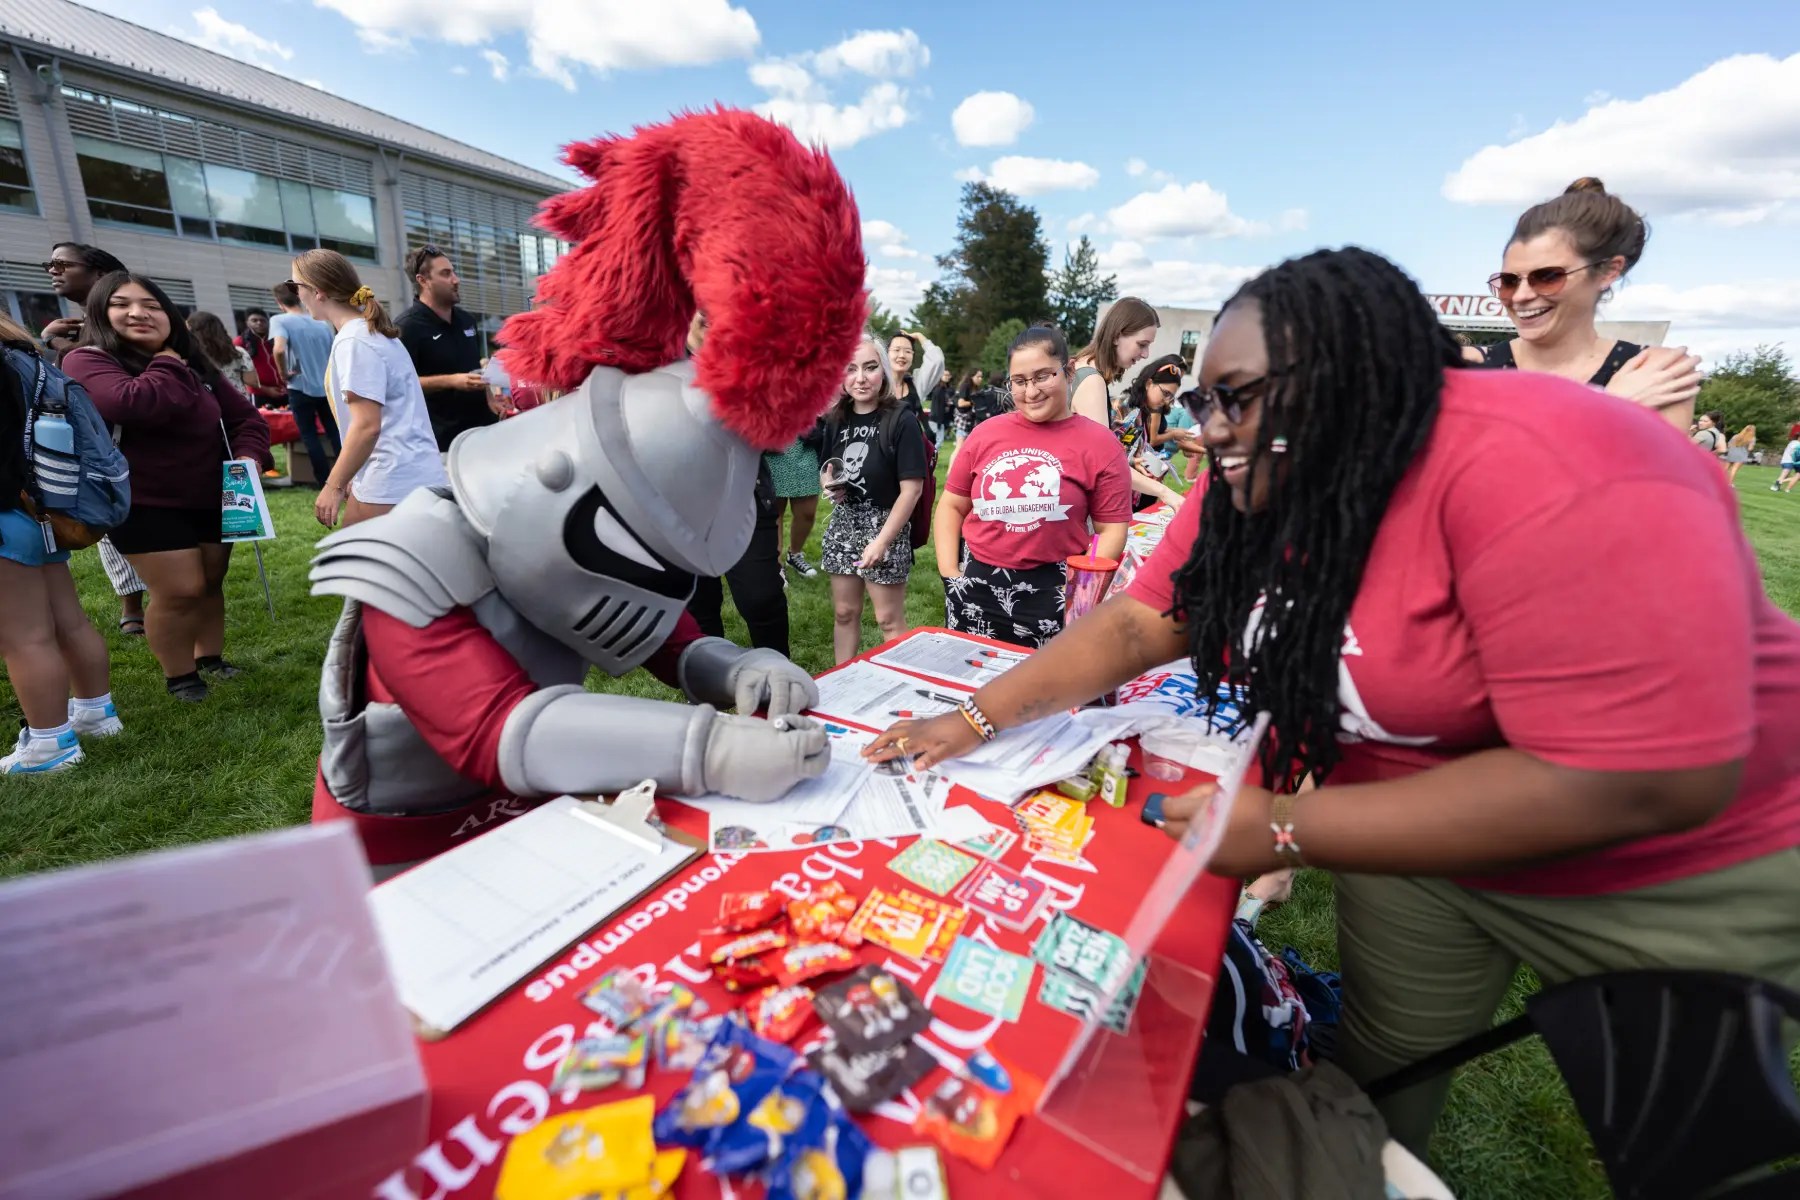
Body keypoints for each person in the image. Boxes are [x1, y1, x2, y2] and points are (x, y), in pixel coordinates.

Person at [865, 246, 1800, 1159]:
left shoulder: (1562, 460)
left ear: (1359, 386)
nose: (1211, 431)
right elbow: (1141, 625)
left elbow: (1643, 777)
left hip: (1677, 862)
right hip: (1415, 833)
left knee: (1699, 1138)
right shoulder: (1250, 477)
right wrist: (974, 718)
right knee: (1382, 1077)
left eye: (1240, 401)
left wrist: (1282, 831)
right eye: (1203, 400)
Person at [307, 109, 860, 874]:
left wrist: (732, 668)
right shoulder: (416, 559)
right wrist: (710, 751)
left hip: (536, 824)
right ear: (558, 480)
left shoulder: (567, 548)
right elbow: (500, 730)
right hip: (405, 854)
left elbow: (657, 629)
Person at [63, 273, 271, 702]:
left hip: (214, 493)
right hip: (143, 500)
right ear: (101, 312)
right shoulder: (87, 360)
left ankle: (210, 657)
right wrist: (170, 362)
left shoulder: (196, 363)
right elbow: (131, 403)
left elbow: (245, 420)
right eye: (121, 304)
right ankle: (181, 676)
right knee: (180, 589)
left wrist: (248, 458)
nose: (139, 312)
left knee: (212, 580)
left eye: (152, 305)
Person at [937, 326, 1130, 647]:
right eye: (1020, 381)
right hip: (974, 585)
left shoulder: (1101, 444)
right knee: (972, 686)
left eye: (1043, 376)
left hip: (1053, 591)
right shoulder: (985, 434)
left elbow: (1111, 530)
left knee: (1042, 691)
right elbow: (952, 505)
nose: (1031, 391)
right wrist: (949, 571)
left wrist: (1079, 590)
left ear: (1068, 372)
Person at [0, 316, 122, 774]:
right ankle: (95, 712)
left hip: (7, 512)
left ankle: (50, 745)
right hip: (41, 507)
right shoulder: (23, 356)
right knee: (68, 620)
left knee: (23, 638)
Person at [1477, 178, 1702, 426]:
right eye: (1509, 281)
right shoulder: (1466, 366)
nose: (1520, 296)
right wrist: (1609, 405)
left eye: (1547, 277)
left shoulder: (1654, 371)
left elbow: (1658, 466)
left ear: (1609, 271)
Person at [290, 249, 447, 529]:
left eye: (296, 286)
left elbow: (366, 426)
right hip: (402, 473)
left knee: (357, 568)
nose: (295, 295)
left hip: (393, 477)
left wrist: (333, 486)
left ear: (318, 291)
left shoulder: (355, 341)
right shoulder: (366, 333)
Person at [38, 242, 146, 637]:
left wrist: (57, 345)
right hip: (97, 440)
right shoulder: (71, 328)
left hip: (138, 434)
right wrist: (48, 340)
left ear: (99, 274)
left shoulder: (131, 317)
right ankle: (131, 603)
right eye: (49, 263)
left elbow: (112, 370)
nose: (53, 270)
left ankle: (164, 598)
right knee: (105, 512)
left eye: (62, 263)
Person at [683, 311, 790, 653]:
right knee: (698, 607)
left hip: (745, 500)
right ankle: (708, 687)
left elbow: (777, 439)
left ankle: (778, 679)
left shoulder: (750, 366)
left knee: (761, 598)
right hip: (684, 509)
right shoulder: (659, 369)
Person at [819, 330, 927, 664]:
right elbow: (827, 467)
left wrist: (882, 541)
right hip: (844, 523)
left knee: (888, 620)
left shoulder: (901, 418)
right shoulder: (837, 418)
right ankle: (843, 683)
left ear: (883, 371)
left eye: (870, 367)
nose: (860, 378)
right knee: (844, 612)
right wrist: (829, 483)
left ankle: (900, 686)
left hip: (886, 524)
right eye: (850, 369)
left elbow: (912, 490)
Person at [1073, 297, 1184, 509]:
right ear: (1117, 335)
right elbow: (1104, 462)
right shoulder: (1091, 381)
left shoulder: (1081, 369)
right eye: (1142, 345)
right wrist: (1165, 493)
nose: (1145, 354)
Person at [396, 245, 500, 451]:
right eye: (446, 274)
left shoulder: (467, 320)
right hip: (442, 442)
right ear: (423, 281)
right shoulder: (405, 327)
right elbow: (400, 384)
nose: (456, 279)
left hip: (485, 432)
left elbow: (474, 368)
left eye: (453, 272)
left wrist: (491, 399)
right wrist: (452, 381)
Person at [269, 280, 343, 485]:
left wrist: (283, 373)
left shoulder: (280, 320)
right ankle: (347, 477)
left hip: (300, 386)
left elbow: (279, 349)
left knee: (309, 436)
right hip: (326, 387)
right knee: (335, 433)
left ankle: (323, 480)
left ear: (279, 302)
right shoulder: (321, 324)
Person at [185, 311, 259, 397]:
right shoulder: (238, 352)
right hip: (237, 400)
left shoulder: (191, 354)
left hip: (209, 401)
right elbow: (252, 381)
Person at [887, 329, 944, 434]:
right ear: (886, 354)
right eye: (896, 350)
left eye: (908, 351)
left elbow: (937, 361)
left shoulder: (916, 385)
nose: (902, 355)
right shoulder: (876, 385)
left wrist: (919, 336)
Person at [233, 309, 287, 405]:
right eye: (254, 320)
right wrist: (265, 389)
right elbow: (238, 372)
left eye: (262, 320)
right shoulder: (240, 342)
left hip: (283, 391)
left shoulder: (276, 340)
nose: (259, 323)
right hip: (258, 393)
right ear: (247, 323)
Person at [928, 367, 954, 443]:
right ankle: (930, 455)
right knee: (938, 441)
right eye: (945, 375)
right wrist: (939, 421)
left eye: (948, 375)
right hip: (936, 419)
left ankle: (931, 454)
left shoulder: (945, 389)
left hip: (939, 418)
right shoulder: (939, 389)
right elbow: (937, 406)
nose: (947, 377)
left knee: (936, 441)